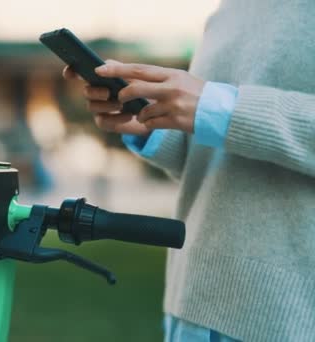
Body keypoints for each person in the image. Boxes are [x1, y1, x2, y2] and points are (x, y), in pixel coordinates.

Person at [64, 1, 314, 341]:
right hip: (192, 307)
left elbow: (219, 111)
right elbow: (216, 162)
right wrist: (153, 125)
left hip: (287, 318)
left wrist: (216, 107)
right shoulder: (231, 10)